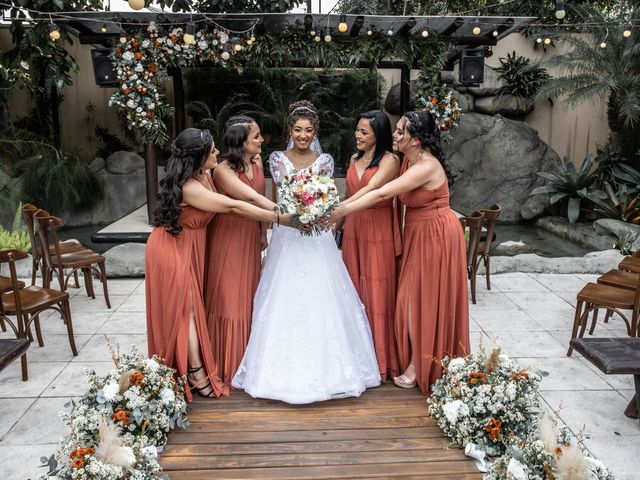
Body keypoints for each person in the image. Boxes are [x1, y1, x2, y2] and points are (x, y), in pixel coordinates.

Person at [232, 101, 381, 404]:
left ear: (315, 132)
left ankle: (331, 367)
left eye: (308, 130)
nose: (302, 135)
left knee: (321, 295)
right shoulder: (275, 159)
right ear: (290, 130)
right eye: (297, 130)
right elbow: (276, 197)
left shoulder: (324, 160)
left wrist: (316, 213)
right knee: (282, 295)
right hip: (287, 234)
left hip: (316, 237)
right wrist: (284, 221)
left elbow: (327, 194)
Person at [145, 128, 296, 401]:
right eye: (212, 150)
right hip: (172, 249)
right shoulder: (190, 187)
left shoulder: (202, 175)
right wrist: (279, 218)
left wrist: (276, 210)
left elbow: (245, 197)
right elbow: (232, 207)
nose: (217, 152)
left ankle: (195, 364)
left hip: (191, 246)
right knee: (186, 311)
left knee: (192, 307)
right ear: (198, 157)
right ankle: (195, 371)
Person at [328, 111, 469, 394]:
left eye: (401, 131)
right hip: (419, 233)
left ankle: (419, 366)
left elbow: (380, 194)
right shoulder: (408, 159)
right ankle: (417, 357)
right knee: (409, 297)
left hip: (437, 234)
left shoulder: (426, 166)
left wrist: (340, 211)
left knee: (418, 300)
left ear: (415, 140)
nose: (394, 135)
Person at [204, 116, 275, 389]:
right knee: (230, 299)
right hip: (228, 237)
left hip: (249, 237)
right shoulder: (223, 170)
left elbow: (261, 194)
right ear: (241, 142)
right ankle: (227, 364)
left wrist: (261, 233)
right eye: (256, 136)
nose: (261, 140)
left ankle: (249, 360)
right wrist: (286, 214)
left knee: (248, 297)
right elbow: (252, 198)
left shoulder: (257, 164)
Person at [340, 110, 402, 382]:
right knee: (353, 288)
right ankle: (354, 357)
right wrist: (337, 220)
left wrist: (340, 210)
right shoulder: (353, 158)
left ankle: (380, 361)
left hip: (378, 229)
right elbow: (349, 192)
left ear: (379, 134)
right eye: (357, 130)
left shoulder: (391, 160)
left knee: (377, 292)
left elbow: (373, 188)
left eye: (364, 132)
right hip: (354, 229)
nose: (358, 136)